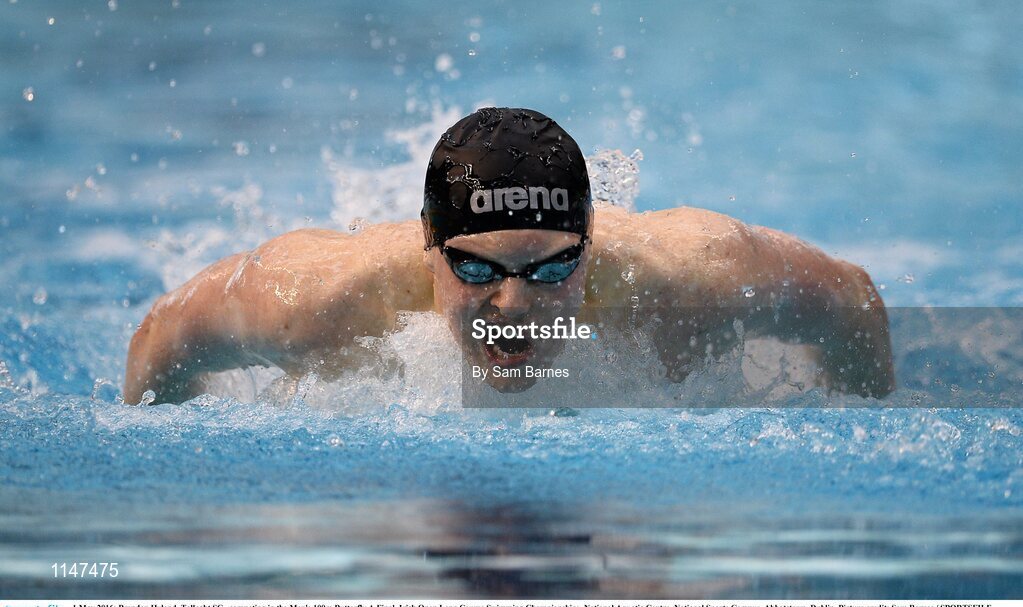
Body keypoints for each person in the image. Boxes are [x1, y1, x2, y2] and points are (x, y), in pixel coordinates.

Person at [124, 107, 895, 404]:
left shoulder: (697, 279)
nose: (515, 307)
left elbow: (852, 299)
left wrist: (859, 418)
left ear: (591, 245)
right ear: (429, 244)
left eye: (553, 267)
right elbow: (161, 336)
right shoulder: (310, 302)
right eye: (476, 270)